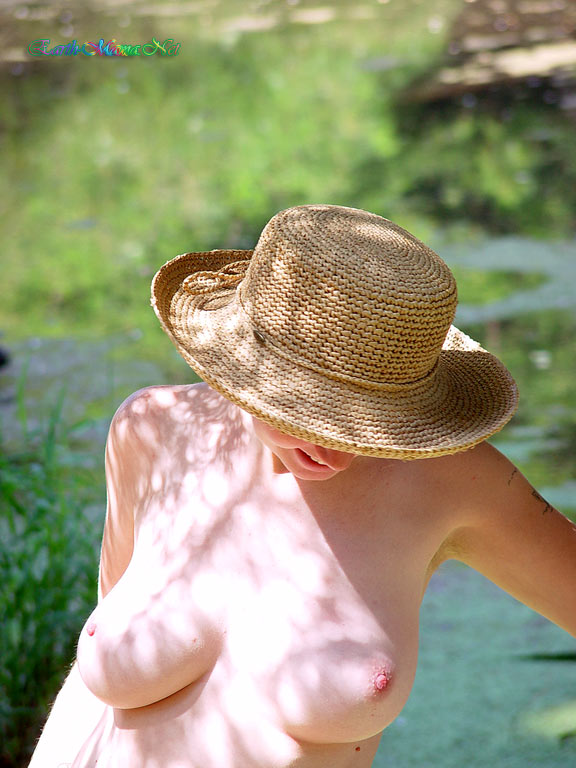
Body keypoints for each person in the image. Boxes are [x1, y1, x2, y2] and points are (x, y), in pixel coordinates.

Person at [29, 204, 576, 768]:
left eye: (371, 419)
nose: (333, 446)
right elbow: (93, 680)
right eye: (307, 410)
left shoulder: (457, 480)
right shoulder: (153, 429)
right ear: (242, 360)